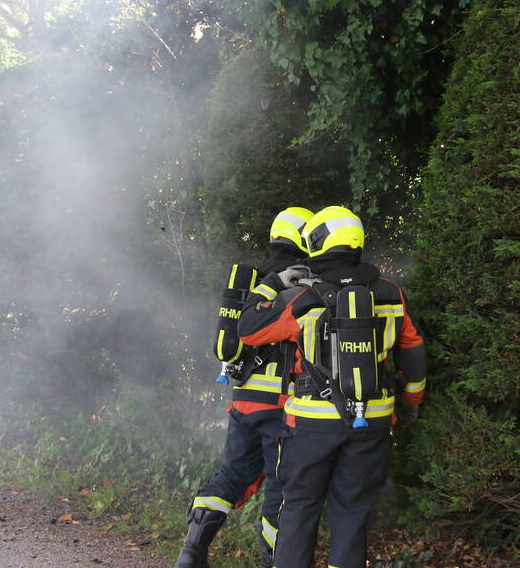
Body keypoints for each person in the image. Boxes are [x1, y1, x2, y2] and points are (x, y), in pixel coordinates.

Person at [237, 205, 427, 568]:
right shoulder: (391, 294)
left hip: (310, 425)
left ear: (318, 243)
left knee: (299, 508)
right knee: (352, 513)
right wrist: (412, 400)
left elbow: (248, 329)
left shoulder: (303, 298)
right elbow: (413, 346)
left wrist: (271, 284)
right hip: (372, 422)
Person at [175, 207, 315, 568]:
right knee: (280, 487)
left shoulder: (253, 280)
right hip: (282, 404)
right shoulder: (300, 281)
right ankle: (275, 560)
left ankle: (191, 552)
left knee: (233, 474)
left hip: (243, 399)